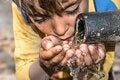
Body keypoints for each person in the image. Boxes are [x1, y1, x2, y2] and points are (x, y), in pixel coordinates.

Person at [12, 0, 114, 80]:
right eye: (40, 19)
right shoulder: (26, 5)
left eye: (72, 10)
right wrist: (44, 66)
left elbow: (102, 73)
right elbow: (23, 72)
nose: (60, 30)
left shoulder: (110, 6)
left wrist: (90, 68)